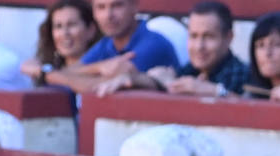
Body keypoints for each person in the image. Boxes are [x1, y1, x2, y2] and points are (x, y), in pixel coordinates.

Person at [93, 1, 250, 97]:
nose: (199, 46)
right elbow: (163, 82)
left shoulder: (244, 74)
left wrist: (215, 92)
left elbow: (251, 108)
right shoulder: (191, 70)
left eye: (208, 37)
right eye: (193, 36)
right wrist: (131, 79)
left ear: (228, 38)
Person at [45, 0, 180, 96]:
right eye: (101, 7)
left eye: (116, 5)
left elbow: (102, 87)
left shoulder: (153, 44)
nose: (108, 15)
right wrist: (100, 67)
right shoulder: (107, 43)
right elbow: (71, 70)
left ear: (135, 5)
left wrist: (45, 74)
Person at [21, 0, 98, 89]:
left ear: (91, 30)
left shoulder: (106, 66)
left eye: (72, 25)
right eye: (58, 26)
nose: (64, 33)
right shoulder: (42, 66)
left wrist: (43, 73)